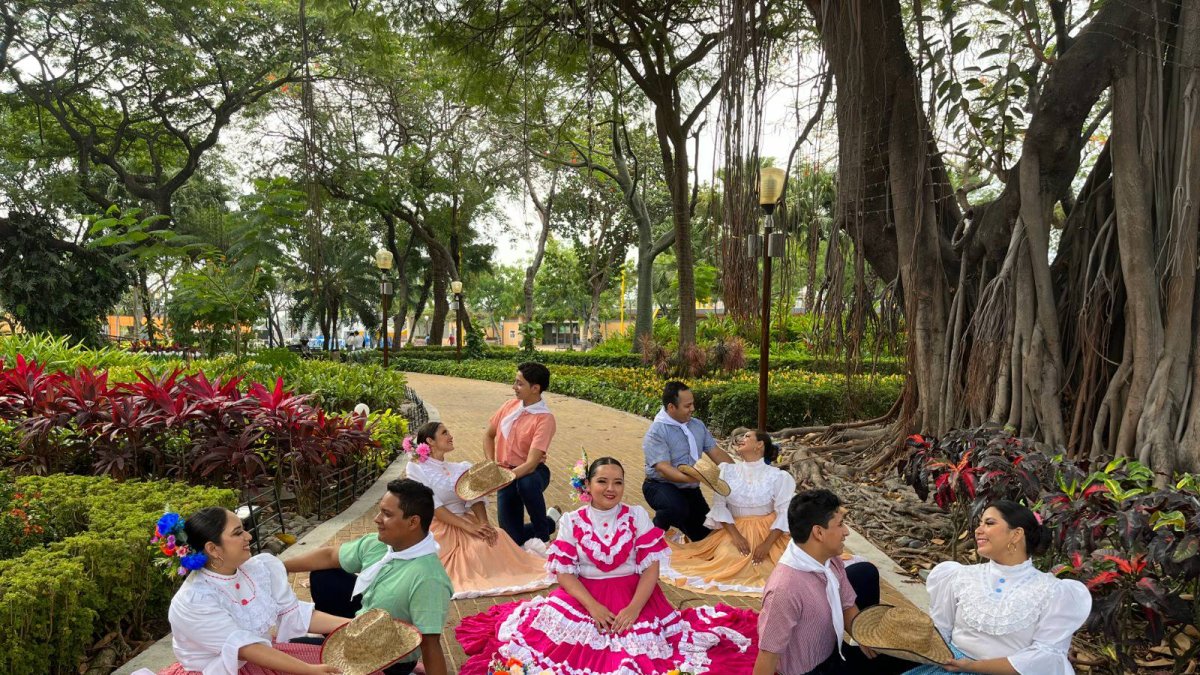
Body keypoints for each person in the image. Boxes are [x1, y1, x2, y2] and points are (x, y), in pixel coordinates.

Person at [454, 456, 759, 675]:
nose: (610, 489)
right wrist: (593, 607)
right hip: (583, 596)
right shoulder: (573, 521)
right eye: (602, 481)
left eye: (618, 482)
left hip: (635, 595)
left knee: (646, 653)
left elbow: (650, 567)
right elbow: (564, 572)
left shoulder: (636, 514)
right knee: (554, 653)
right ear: (587, 484)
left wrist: (635, 609)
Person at [901, 500, 1092, 675]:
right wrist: (884, 641)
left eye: (989, 523)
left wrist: (973, 666)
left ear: (1016, 534)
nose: (978, 530)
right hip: (949, 669)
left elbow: (1045, 657)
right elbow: (939, 631)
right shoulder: (959, 576)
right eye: (980, 523)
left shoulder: (1054, 592)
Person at [283, 479, 452, 675]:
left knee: (288, 653)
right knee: (324, 575)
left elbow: (431, 645)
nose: (377, 519)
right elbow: (329, 555)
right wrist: (279, 566)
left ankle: (407, 670)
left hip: (389, 658)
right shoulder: (381, 544)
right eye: (380, 511)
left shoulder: (428, 579)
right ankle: (348, 637)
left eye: (387, 514)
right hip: (367, 621)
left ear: (413, 522)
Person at [154, 508, 349, 675]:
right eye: (238, 533)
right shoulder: (194, 600)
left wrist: (352, 624)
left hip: (259, 657)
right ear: (213, 549)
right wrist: (309, 670)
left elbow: (294, 613)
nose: (248, 536)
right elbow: (245, 648)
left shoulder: (256, 569)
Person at [753, 489, 909, 675]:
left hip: (834, 656)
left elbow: (847, 605)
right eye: (840, 524)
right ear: (818, 532)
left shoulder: (830, 559)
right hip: (811, 672)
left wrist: (867, 640)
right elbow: (766, 658)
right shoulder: (784, 590)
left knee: (905, 659)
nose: (846, 532)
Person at [404, 420, 553, 598]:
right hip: (438, 526)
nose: (451, 436)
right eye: (444, 433)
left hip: (467, 521)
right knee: (475, 552)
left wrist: (483, 524)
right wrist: (470, 528)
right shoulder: (417, 468)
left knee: (496, 537)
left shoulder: (460, 468)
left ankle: (550, 522)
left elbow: (476, 499)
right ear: (430, 441)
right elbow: (433, 507)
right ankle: (550, 521)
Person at [662, 429, 795, 595]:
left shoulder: (779, 476)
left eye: (747, 436)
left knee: (768, 566)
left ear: (759, 445)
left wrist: (767, 544)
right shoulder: (726, 470)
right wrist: (736, 536)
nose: (741, 439)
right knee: (729, 558)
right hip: (733, 528)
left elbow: (784, 513)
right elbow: (720, 506)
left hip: (769, 531)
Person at [641, 381, 734, 542]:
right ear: (671, 407)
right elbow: (663, 468)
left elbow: (716, 452)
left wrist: (740, 472)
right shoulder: (656, 432)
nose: (692, 409)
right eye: (687, 406)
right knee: (676, 508)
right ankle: (652, 537)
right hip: (660, 485)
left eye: (692, 404)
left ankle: (681, 536)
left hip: (690, 489)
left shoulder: (697, 425)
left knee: (706, 537)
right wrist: (694, 478)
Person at [483, 362, 557, 545]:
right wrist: (491, 466)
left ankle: (543, 536)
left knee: (526, 482)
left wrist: (502, 478)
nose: (514, 387)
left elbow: (531, 464)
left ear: (535, 388)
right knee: (510, 540)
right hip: (505, 474)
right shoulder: (509, 406)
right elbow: (488, 435)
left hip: (532, 473)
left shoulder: (544, 419)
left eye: (519, 383)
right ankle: (551, 521)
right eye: (515, 382)